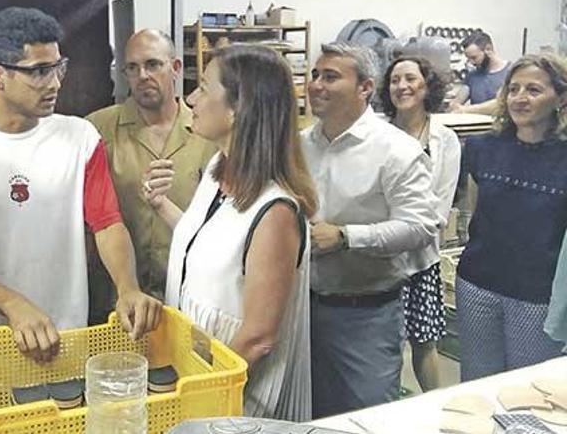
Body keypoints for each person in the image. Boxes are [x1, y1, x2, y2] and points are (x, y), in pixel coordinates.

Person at [0, 7, 161, 363]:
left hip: (74, 334)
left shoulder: (80, 138)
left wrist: (127, 288)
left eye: (58, 68)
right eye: (39, 72)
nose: (55, 83)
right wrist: (12, 304)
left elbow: (107, 223)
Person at [145, 44, 317, 421]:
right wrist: (162, 206)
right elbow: (210, 246)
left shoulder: (275, 213)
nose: (190, 98)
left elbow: (258, 338)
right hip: (196, 374)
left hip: (238, 396)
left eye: (204, 88)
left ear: (239, 108)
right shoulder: (216, 170)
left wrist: (200, 395)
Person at [301, 43, 440, 418]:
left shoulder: (396, 150)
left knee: (368, 417)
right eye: (315, 74)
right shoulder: (300, 146)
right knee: (309, 415)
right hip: (301, 311)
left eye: (331, 76)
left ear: (365, 87)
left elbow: (420, 226)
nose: (316, 84)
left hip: (365, 316)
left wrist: (347, 237)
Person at [85, 29, 216, 322]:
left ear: (176, 68)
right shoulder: (98, 129)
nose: (142, 75)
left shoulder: (207, 132)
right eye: (132, 68)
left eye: (153, 65)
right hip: (116, 298)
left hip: (188, 294)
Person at [456, 53, 567, 381]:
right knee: (476, 386)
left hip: (538, 296)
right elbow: (474, 214)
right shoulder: (482, 148)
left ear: (560, 97)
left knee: (527, 390)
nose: (520, 97)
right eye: (514, 89)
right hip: (478, 283)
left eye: (533, 90)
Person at [379, 56, 461, 391]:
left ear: (427, 86)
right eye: (395, 80)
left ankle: (434, 408)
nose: (402, 86)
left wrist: (405, 230)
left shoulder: (445, 139)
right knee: (384, 345)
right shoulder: (378, 133)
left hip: (421, 258)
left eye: (410, 78)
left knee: (424, 342)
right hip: (379, 259)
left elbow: (439, 210)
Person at [449, 31, 510, 115]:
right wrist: (453, 104)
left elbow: (501, 104)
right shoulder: (472, 76)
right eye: (469, 59)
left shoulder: (511, 73)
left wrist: (466, 110)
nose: (471, 62)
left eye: (474, 58)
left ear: (488, 49)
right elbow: (457, 103)